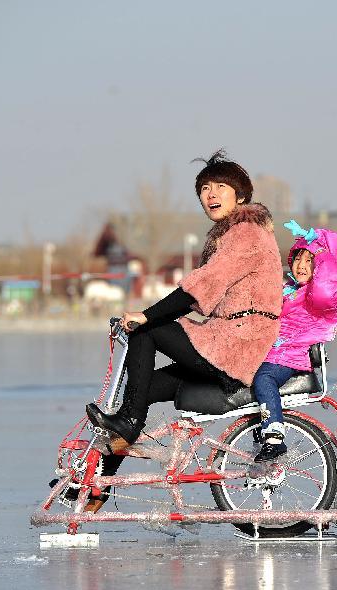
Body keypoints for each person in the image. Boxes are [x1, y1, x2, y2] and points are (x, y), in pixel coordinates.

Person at [82, 150, 284, 513]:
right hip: (224, 340)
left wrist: (145, 316)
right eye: (205, 189)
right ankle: (100, 486)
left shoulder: (246, 233)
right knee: (140, 390)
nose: (211, 194)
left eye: (220, 187)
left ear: (240, 195)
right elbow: (204, 293)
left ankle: (126, 425)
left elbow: (199, 288)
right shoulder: (230, 235)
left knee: (149, 332)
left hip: (238, 343)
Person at [251, 221, 337, 462]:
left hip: (291, 356)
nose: (301, 266)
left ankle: (274, 436)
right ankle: (257, 430)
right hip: (273, 351)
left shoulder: (319, 295)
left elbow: (326, 279)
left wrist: (319, 245)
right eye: (298, 259)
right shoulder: (290, 289)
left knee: (265, 378)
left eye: (309, 261)